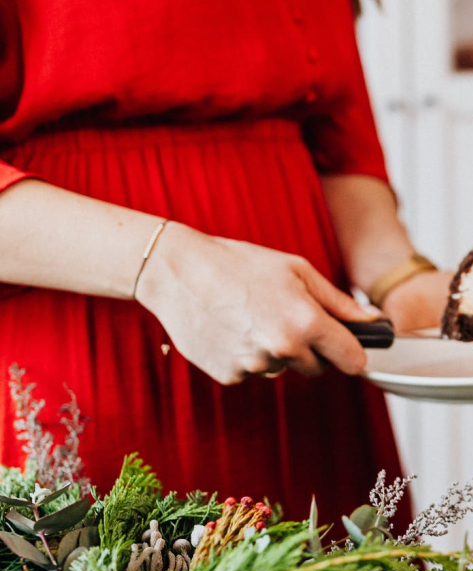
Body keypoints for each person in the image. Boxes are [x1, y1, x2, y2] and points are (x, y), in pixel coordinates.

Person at [0, 1, 450, 522]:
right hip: (87, 358)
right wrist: (167, 268)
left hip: (308, 373)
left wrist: (400, 278)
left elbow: (337, 138)